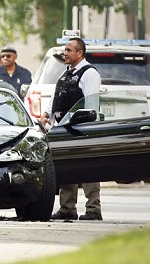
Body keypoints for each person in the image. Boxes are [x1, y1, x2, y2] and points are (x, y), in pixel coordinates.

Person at [40, 37, 103, 221]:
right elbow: (56, 97)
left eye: (68, 50)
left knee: (88, 168)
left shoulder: (89, 73)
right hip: (64, 128)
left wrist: (86, 127)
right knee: (67, 167)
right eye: (65, 50)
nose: (65, 53)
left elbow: (91, 103)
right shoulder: (67, 73)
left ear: (79, 53)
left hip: (82, 127)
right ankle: (67, 208)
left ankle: (93, 209)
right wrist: (46, 114)